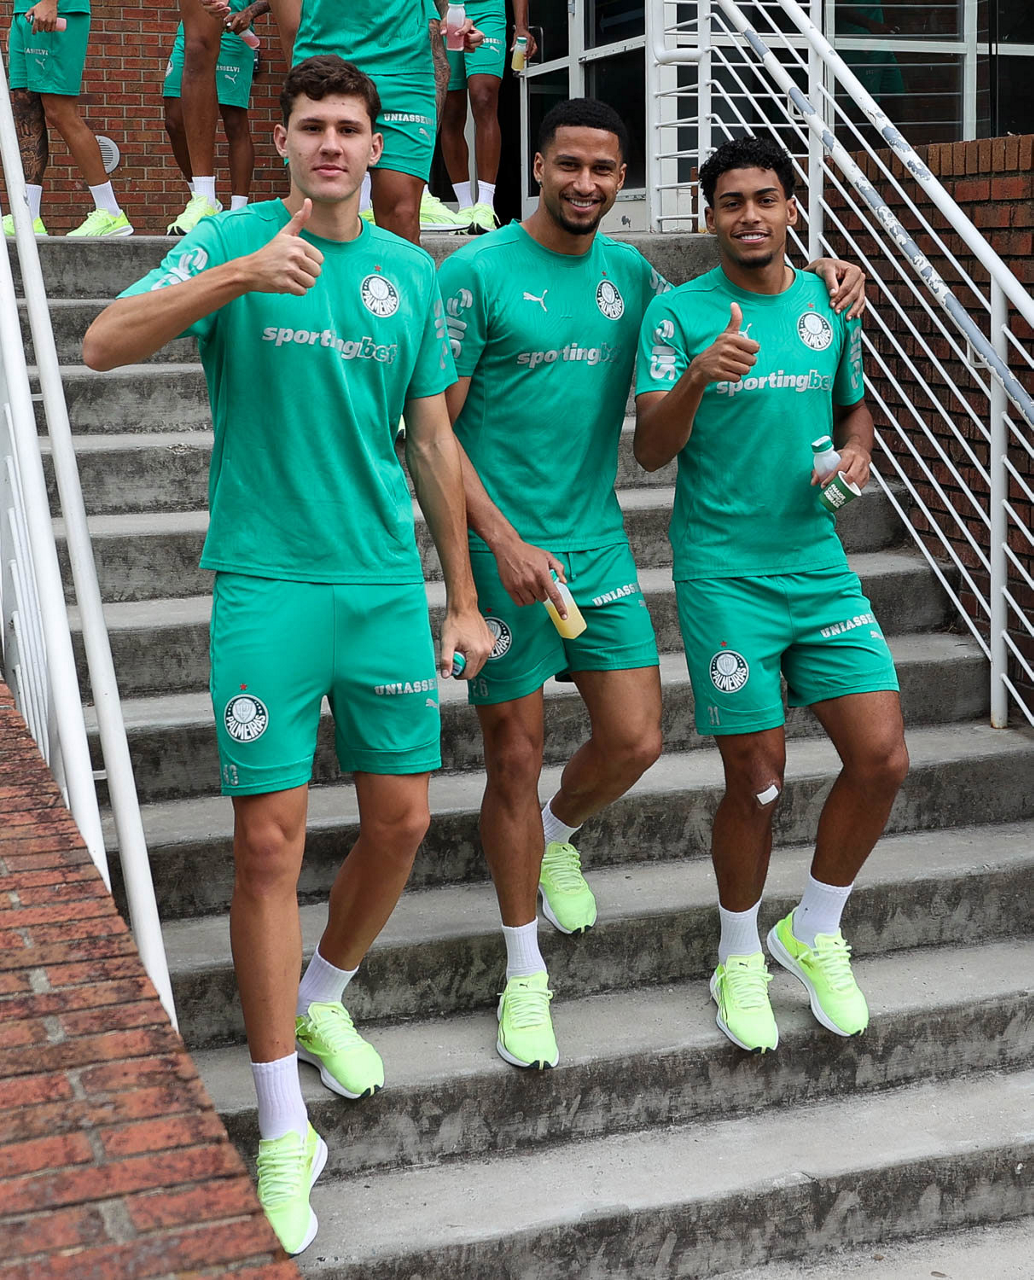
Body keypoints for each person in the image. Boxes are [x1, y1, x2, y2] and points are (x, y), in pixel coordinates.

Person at [83, 55, 492, 1256]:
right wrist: (234, 276)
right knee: (265, 843)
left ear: (375, 145)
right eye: (309, 125)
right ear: (279, 141)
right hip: (266, 586)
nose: (329, 144)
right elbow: (102, 341)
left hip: (381, 589)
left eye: (348, 128)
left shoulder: (412, 272)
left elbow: (431, 444)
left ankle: (320, 996)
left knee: (401, 821)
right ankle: (278, 1122)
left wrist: (462, 599)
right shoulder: (232, 240)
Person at [437, 102, 865, 1071]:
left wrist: (831, 272)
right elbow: (432, 431)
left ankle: (555, 835)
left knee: (634, 738)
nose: (585, 184)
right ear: (535, 165)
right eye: (568, 165)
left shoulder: (633, 278)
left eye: (603, 170)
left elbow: (744, 285)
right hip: (504, 555)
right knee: (513, 754)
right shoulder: (474, 273)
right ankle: (522, 972)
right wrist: (496, 542)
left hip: (594, 548)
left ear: (622, 179)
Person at [634, 135, 907, 1056]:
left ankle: (814, 929)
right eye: (731, 202)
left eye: (765, 199)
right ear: (708, 214)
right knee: (757, 782)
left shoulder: (832, 301)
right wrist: (698, 377)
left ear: (791, 207)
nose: (749, 216)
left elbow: (851, 404)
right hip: (725, 574)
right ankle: (739, 952)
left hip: (817, 566)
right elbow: (650, 450)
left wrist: (857, 448)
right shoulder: (677, 314)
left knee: (883, 758)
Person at [258, 0, 483, 243]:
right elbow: (290, 24)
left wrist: (451, 15)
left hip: (405, 66)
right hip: (323, 61)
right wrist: (301, 81)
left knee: (401, 217)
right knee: (318, 217)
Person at [2, 0, 132, 236]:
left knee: (60, 111)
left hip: (58, 10)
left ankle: (110, 212)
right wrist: (19, 17)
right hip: (25, 12)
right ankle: (28, 214)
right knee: (25, 111)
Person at [163, 0, 269, 214]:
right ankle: (203, 199)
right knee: (174, 121)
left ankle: (238, 211)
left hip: (232, 32)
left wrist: (250, 12)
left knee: (234, 123)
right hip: (191, 33)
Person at [439, 0, 534, 233]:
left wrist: (521, 27)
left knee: (483, 98)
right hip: (446, 10)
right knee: (450, 111)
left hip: (488, 10)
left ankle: (485, 205)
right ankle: (464, 207)